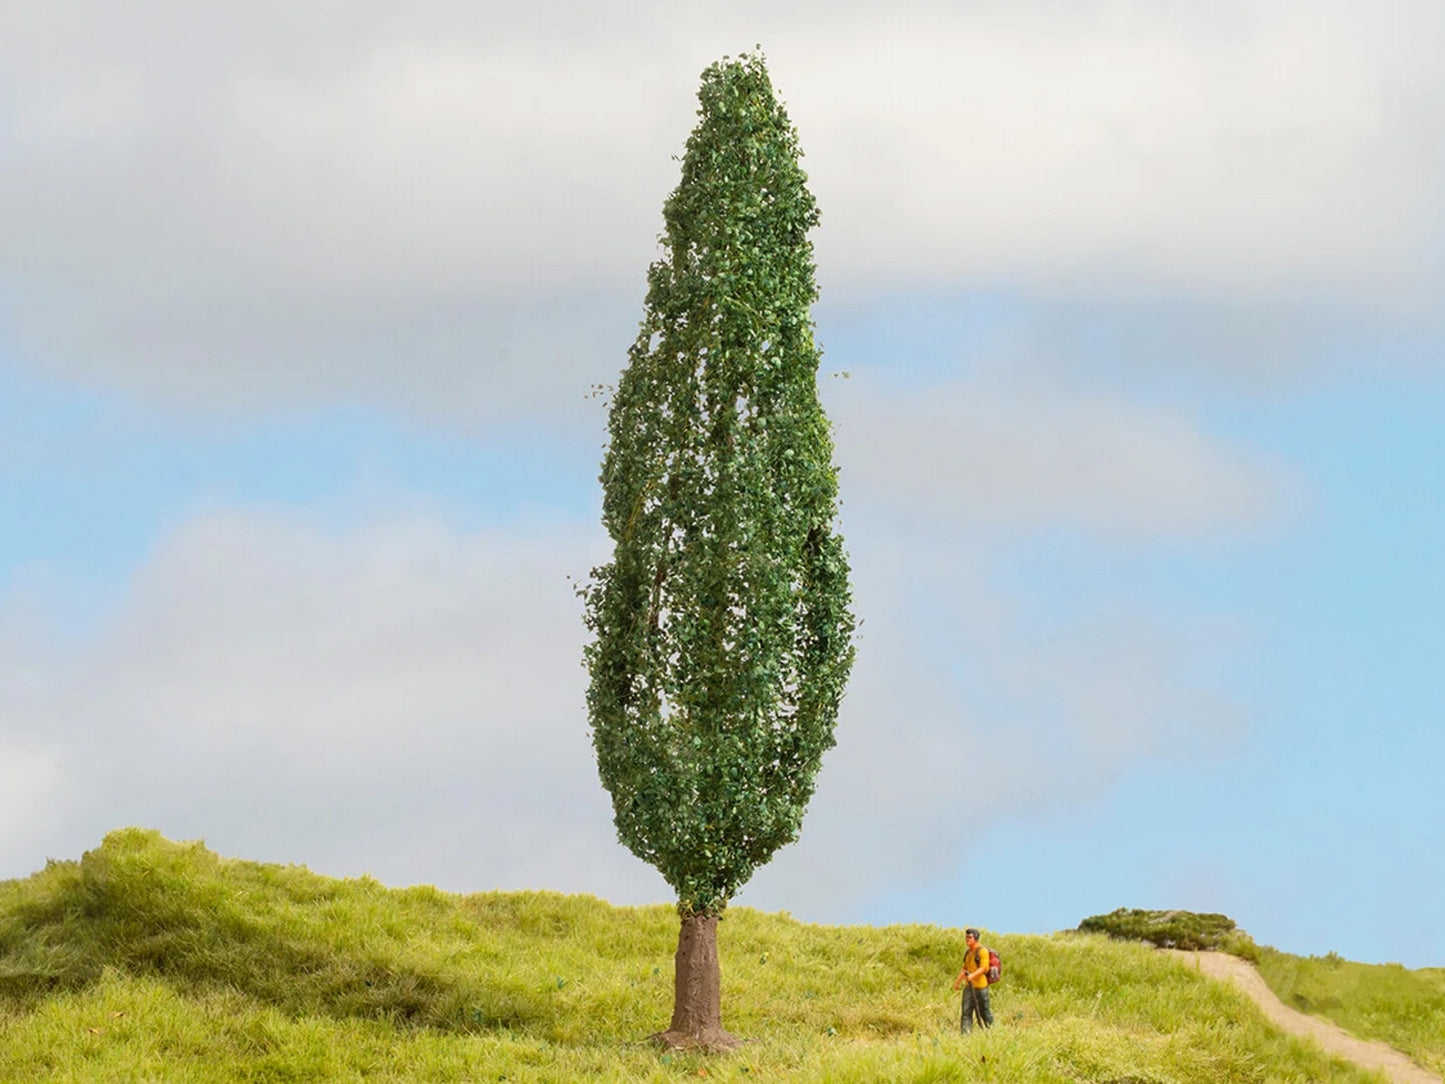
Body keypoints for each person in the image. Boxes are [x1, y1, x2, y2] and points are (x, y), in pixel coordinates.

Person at [951, 927, 994, 1032]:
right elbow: (964, 969)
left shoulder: (982, 951)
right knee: (966, 1012)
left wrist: (972, 976)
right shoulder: (968, 952)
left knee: (985, 1012)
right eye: (966, 937)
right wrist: (957, 983)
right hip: (969, 987)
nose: (967, 939)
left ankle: (993, 1030)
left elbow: (984, 968)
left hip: (981, 987)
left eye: (970, 937)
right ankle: (965, 1035)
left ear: (976, 938)